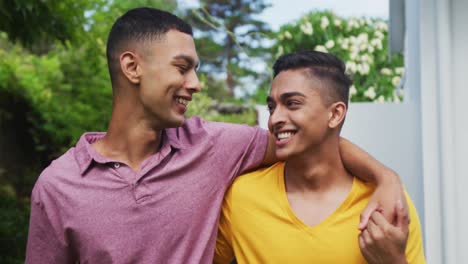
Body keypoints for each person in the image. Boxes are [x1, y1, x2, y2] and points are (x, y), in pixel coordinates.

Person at [26, 8, 406, 264]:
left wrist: (385, 178)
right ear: (132, 67)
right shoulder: (58, 187)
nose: (195, 84)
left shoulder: (214, 146)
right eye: (182, 67)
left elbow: (311, 141)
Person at [214, 51, 426, 263]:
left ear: (334, 114)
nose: (274, 119)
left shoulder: (386, 204)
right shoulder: (242, 196)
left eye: (292, 103)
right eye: (272, 107)